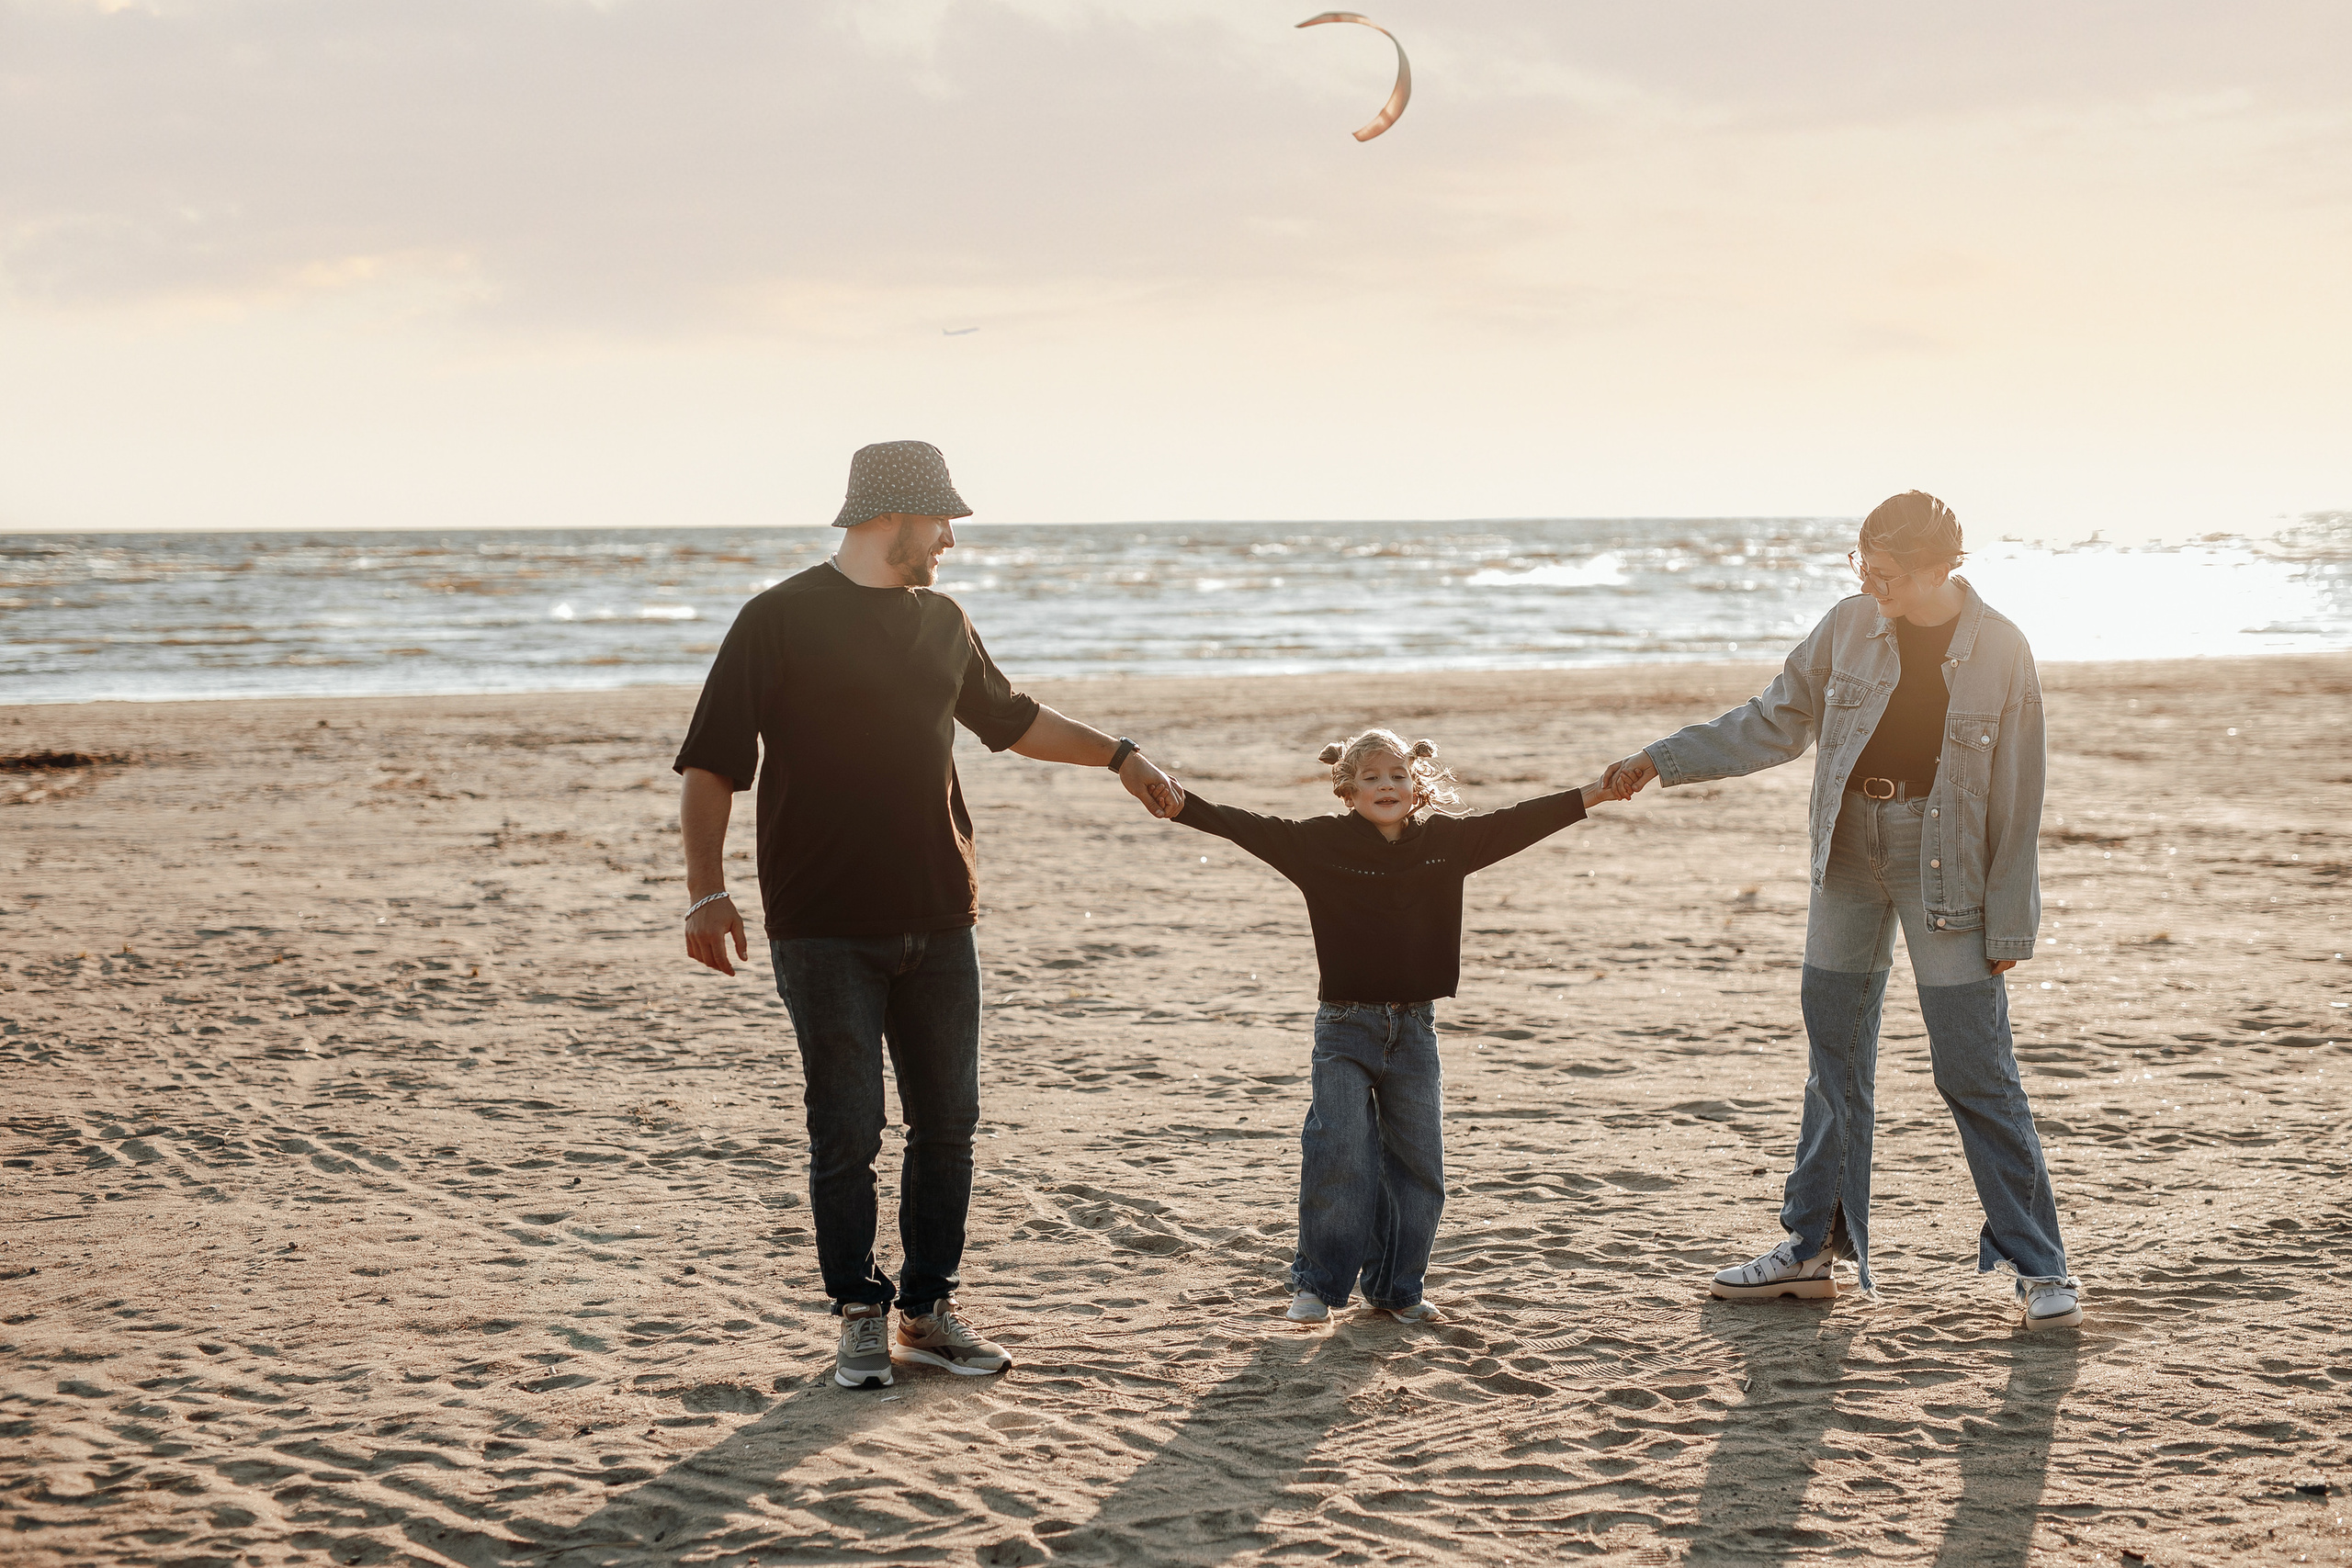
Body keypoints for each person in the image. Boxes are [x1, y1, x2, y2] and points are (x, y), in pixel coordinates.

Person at [672, 439, 1186, 1391]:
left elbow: (1013, 719)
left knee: (949, 1124)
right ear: (890, 518)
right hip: (822, 923)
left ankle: (927, 1311)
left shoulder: (943, 621)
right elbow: (712, 762)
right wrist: (706, 889)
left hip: (942, 915)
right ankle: (859, 1315)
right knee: (849, 1128)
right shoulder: (775, 620)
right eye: (940, 520)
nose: (950, 538)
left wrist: (1121, 756)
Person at [1601, 491, 2079, 1328]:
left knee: (1974, 1067)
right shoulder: (1847, 624)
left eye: (1887, 570)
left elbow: (2019, 788)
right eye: (1862, 563)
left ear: (1942, 567)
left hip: (1951, 870)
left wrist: (2011, 919)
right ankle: (1811, 1251)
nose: (1870, 581)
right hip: (1847, 854)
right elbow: (1774, 721)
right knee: (1835, 1058)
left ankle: (2041, 1267)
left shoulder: (2003, 647)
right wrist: (1663, 759)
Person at [1168, 728, 1613, 1324]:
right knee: (1339, 1154)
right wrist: (1180, 803)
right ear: (1348, 789)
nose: (1388, 785)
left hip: (1414, 1031)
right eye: (1373, 777)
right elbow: (1242, 823)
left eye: (1398, 775)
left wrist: (1593, 793)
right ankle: (1319, 1286)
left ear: (1416, 784)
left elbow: (1519, 821)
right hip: (1344, 1028)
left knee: (1419, 1163)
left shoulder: (1448, 842)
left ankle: (1397, 1287)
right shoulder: (1317, 842)